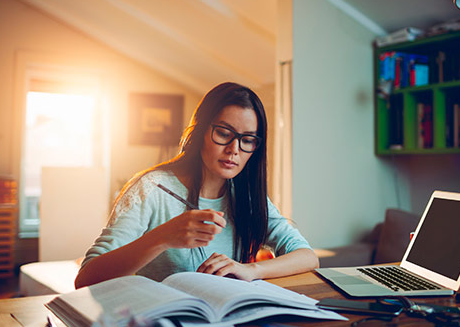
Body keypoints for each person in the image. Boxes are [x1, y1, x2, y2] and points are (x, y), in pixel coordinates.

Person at [75, 82, 318, 288]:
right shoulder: (151, 188)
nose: (234, 150)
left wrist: (251, 270)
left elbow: (307, 257)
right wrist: (162, 237)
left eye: (247, 140)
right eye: (224, 133)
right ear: (201, 131)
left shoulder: (247, 197)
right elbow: (86, 278)